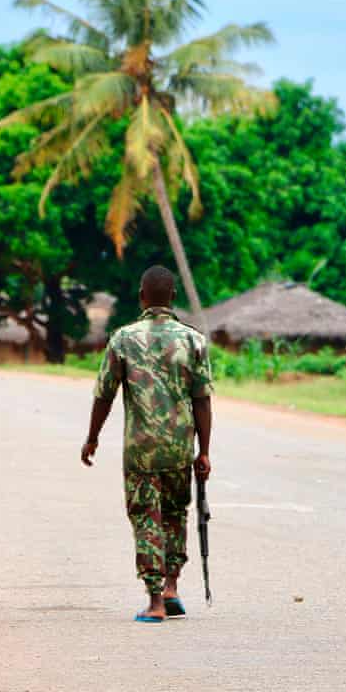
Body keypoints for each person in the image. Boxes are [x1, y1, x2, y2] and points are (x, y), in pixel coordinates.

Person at [82, 265, 214, 623]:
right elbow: (202, 399)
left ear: (142, 296)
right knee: (175, 515)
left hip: (140, 451)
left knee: (146, 518)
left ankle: (155, 602)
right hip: (178, 448)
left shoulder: (123, 339)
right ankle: (171, 588)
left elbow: (103, 395)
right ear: (173, 297)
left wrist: (92, 438)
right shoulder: (193, 340)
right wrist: (204, 450)